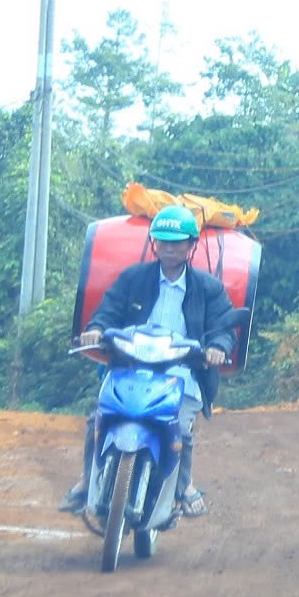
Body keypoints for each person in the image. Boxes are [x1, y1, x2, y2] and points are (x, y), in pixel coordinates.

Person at [60, 205, 247, 519]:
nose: (169, 248)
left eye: (176, 243)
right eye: (162, 241)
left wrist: (216, 347)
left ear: (191, 245)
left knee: (181, 428)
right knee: (99, 420)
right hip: (131, 366)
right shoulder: (133, 278)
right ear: (153, 244)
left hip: (184, 371)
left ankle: (183, 486)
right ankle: (86, 480)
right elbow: (109, 310)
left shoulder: (208, 288)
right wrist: (95, 330)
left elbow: (224, 329)